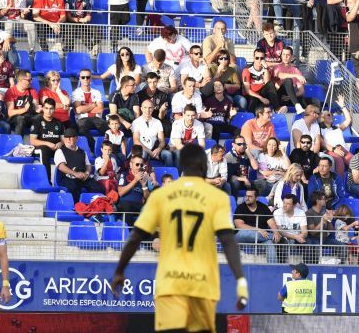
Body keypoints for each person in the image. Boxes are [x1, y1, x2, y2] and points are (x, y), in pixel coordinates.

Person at [112, 144, 249, 331]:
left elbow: (136, 236)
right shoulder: (217, 198)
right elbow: (228, 241)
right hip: (202, 285)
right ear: (204, 166)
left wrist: (120, 270)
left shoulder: (161, 195)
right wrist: (240, 280)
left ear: (182, 165)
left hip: (170, 284)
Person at [55, 130, 104, 203]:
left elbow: (88, 165)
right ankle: (77, 208)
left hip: (83, 177)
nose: (68, 139)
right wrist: (75, 174)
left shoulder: (82, 151)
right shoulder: (60, 151)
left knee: (98, 188)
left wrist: (87, 173)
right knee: (73, 188)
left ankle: (93, 207)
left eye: (71, 137)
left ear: (76, 138)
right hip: (68, 178)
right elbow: (61, 166)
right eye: (66, 137)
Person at [234, 188, 279, 264]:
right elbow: (239, 225)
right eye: (246, 196)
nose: (247, 198)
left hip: (260, 237)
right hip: (242, 237)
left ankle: (273, 267)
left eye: (250, 196)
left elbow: (271, 222)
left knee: (269, 243)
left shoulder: (263, 208)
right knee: (245, 233)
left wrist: (276, 232)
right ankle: (274, 237)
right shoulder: (241, 207)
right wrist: (258, 229)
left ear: (256, 198)